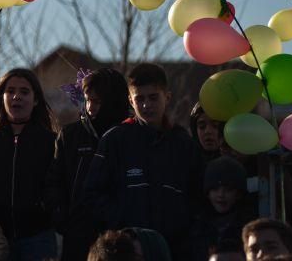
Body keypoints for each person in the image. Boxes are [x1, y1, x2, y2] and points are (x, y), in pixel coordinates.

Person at [84, 63, 203, 260]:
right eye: (140, 99)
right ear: (130, 101)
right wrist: (122, 224)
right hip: (127, 251)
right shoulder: (114, 140)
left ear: (167, 97)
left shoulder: (184, 143)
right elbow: (92, 194)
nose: (147, 105)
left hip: (175, 249)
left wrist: (182, 226)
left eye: (153, 97)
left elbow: (197, 196)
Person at [0, 68, 57, 260]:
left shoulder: (51, 142)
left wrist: (45, 205)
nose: (16, 96)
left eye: (24, 92)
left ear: (35, 100)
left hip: (38, 236)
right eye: (10, 91)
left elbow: (59, 183)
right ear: (2, 97)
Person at [46, 67, 130, 261]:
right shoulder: (70, 136)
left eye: (97, 101)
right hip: (77, 236)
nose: (90, 107)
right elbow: (54, 181)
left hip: (119, 238)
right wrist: (61, 217)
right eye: (88, 99)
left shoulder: (128, 136)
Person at [191, 156, 254, 260]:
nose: (221, 195)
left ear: (238, 194)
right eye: (215, 189)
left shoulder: (248, 227)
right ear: (207, 193)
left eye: (228, 190)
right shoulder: (197, 226)